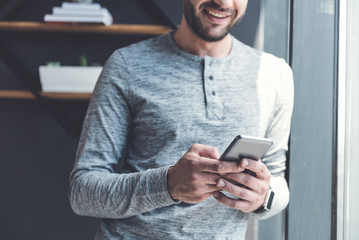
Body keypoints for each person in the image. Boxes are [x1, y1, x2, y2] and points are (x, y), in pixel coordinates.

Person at [69, 0, 294, 239]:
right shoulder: (126, 66)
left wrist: (263, 198)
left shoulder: (274, 74)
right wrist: (167, 184)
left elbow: (277, 179)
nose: (224, 2)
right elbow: (82, 193)